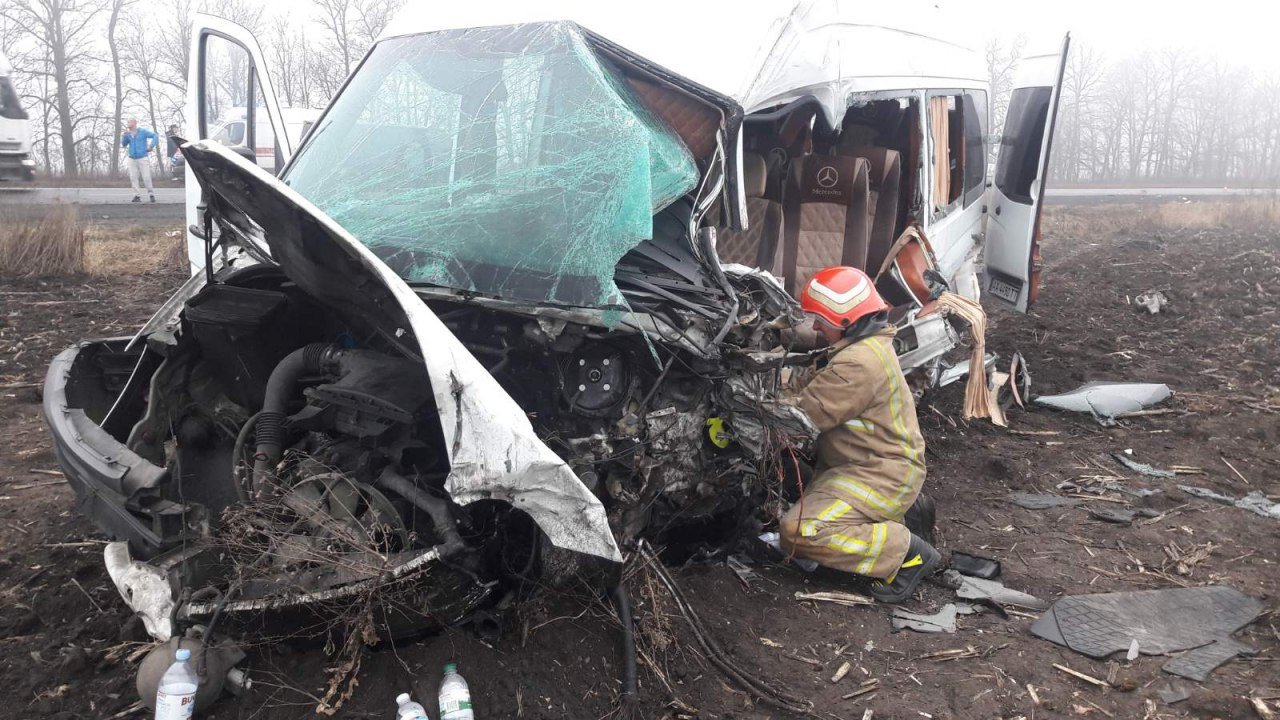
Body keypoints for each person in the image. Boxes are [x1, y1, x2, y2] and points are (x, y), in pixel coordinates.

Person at [779, 266, 940, 603]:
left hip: (877, 475)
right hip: (866, 465)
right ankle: (903, 516)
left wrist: (747, 405)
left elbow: (800, 416)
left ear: (846, 320)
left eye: (821, 320)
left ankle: (906, 553)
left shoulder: (858, 363)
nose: (816, 327)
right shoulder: (857, 349)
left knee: (799, 532)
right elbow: (802, 386)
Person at [121, 117, 158, 203]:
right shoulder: (128, 134)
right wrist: (124, 137)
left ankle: (151, 194)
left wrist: (151, 146)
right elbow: (124, 144)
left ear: (134, 123)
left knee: (146, 177)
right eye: (127, 122)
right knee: (133, 177)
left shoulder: (142, 131)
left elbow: (155, 136)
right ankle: (136, 196)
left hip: (142, 157)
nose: (128, 124)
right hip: (132, 158)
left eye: (129, 122)